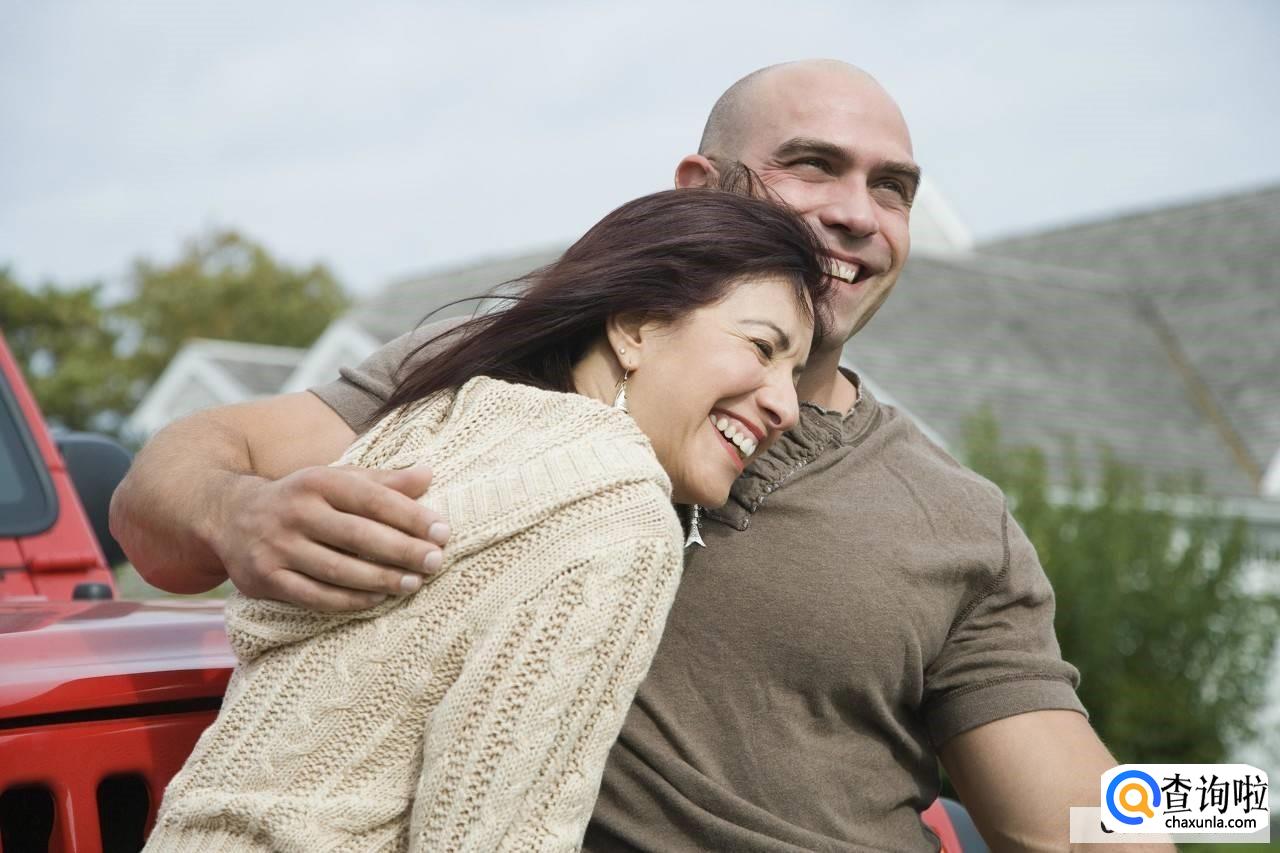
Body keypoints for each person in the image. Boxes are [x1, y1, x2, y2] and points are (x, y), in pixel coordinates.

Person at [114, 60, 1164, 851]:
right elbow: (162, 514)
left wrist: (1224, 796)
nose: (857, 210)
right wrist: (235, 513)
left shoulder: (949, 519)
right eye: (813, 165)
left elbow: (1086, 814)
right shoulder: (499, 377)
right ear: (700, 185)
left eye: (891, 187)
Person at [142, 188, 833, 852]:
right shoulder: (620, 517)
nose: (786, 405)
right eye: (762, 347)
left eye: (796, 372)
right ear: (634, 327)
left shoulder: (446, 410)